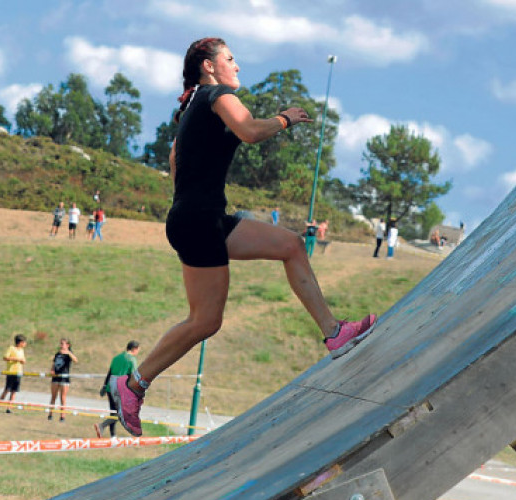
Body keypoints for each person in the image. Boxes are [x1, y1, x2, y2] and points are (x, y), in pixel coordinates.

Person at [109, 37, 377, 437]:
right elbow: (250, 131)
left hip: (203, 218)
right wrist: (284, 119)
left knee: (289, 245)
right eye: (230, 59)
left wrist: (191, 199)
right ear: (209, 66)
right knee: (205, 321)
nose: (237, 66)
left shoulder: (193, 107)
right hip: (199, 221)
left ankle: (334, 333)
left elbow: (174, 161)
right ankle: (132, 385)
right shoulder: (216, 95)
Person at [94, 340, 140, 438]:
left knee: (113, 411)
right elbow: (133, 376)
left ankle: (113, 435)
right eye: (138, 350)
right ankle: (102, 426)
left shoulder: (116, 358)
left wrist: (104, 386)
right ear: (134, 349)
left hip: (110, 386)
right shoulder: (132, 360)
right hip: (121, 387)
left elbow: (109, 372)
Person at [47, 338, 78, 422]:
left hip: (64, 378)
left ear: (67, 345)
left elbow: (75, 360)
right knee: (53, 396)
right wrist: (52, 370)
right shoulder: (57, 354)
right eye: (60, 343)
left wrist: (68, 352)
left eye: (63, 344)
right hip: (56, 377)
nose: (61, 345)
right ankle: (50, 414)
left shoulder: (69, 354)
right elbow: (53, 363)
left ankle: (62, 416)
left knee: (63, 397)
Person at [0, 334, 26, 413]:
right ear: (20, 342)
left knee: (14, 391)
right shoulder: (11, 348)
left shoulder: (21, 351)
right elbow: (5, 357)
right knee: (7, 389)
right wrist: (15, 359)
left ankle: (9, 407)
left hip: (18, 372)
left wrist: (22, 361)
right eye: (24, 342)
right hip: (11, 372)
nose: (25, 344)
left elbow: (23, 360)